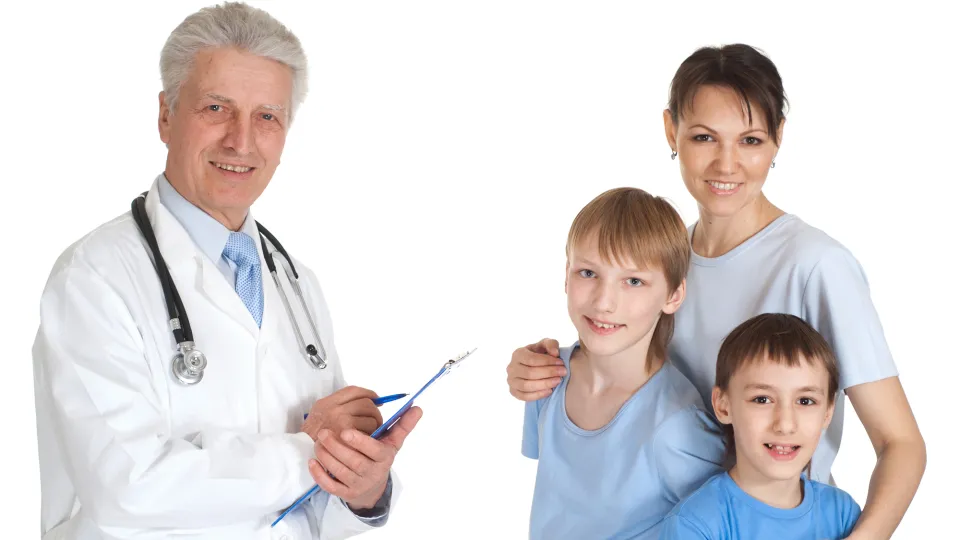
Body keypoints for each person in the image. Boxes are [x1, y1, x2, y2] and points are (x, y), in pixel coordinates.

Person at [31, 3, 421, 538]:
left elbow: (313, 508)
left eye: (267, 116)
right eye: (216, 108)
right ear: (166, 115)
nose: (241, 140)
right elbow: (128, 487)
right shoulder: (94, 278)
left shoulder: (297, 283)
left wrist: (363, 488)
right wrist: (313, 454)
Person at [506, 43, 925, 539]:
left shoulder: (816, 266)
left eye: (750, 140)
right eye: (705, 137)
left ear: (777, 141)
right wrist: (541, 370)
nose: (727, 165)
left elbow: (901, 444)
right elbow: (621, 363)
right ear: (671, 132)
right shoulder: (663, 260)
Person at [521, 187, 726, 539]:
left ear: (674, 295)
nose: (604, 302)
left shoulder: (678, 425)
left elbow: (728, 522)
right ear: (566, 273)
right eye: (588, 273)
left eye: (633, 281)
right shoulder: (547, 378)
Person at [659, 313, 861, 539]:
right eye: (762, 399)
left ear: (828, 412)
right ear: (723, 406)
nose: (785, 424)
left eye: (805, 401)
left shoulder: (844, 515)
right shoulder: (696, 526)